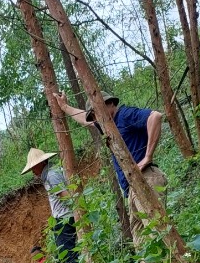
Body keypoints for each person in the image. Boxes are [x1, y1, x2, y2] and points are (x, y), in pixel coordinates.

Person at [54, 91, 164, 250]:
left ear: (110, 104)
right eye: (93, 115)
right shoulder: (107, 123)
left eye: (97, 112)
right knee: (143, 248)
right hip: (131, 189)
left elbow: (155, 117)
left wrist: (147, 157)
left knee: (157, 237)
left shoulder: (125, 115)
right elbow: (84, 119)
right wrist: (64, 107)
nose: (95, 118)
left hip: (146, 179)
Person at [21, 147, 79, 263]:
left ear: (42, 163)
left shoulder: (52, 175)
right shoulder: (50, 174)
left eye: (34, 166)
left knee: (68, 259)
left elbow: (66, 196)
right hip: (64, 219)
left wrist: (77, 211)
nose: (32, 171)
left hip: (65, 220)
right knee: (64, 257)